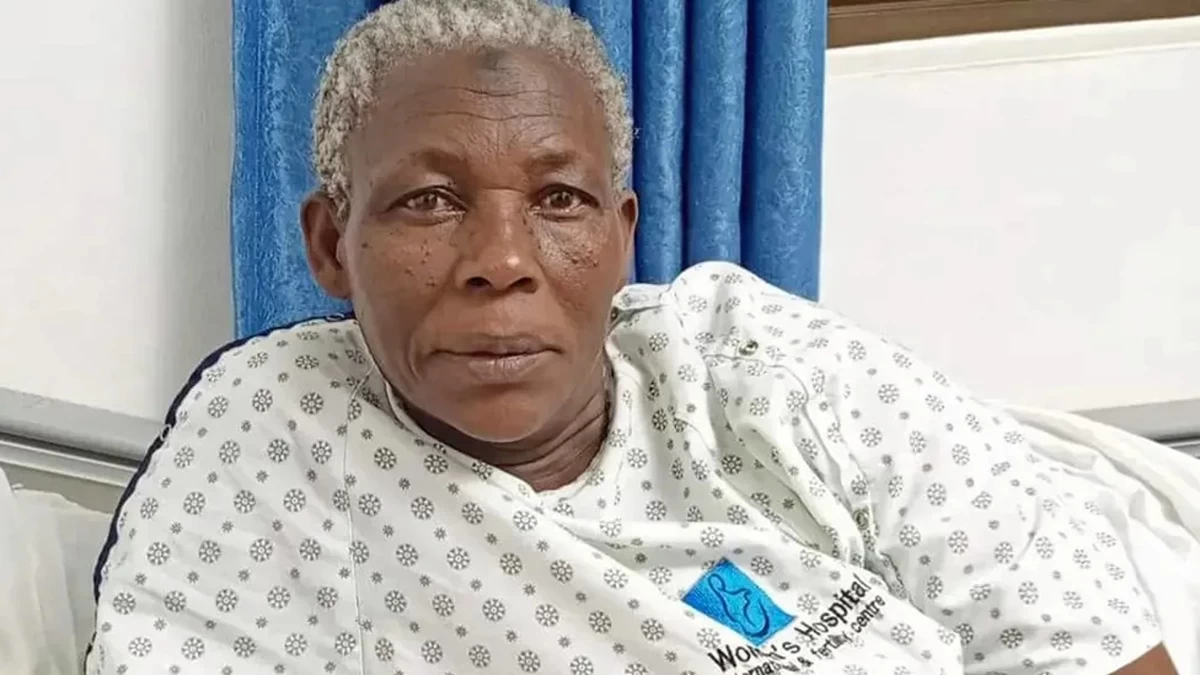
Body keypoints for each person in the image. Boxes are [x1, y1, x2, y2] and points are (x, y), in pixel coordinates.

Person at [88, 1, 1178, 673]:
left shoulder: (762, 364)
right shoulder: (279, 436)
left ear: (621, 237)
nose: (500, 259)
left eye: (558, 201)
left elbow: (1082, 640)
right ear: (332, 245)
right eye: (429, 201)